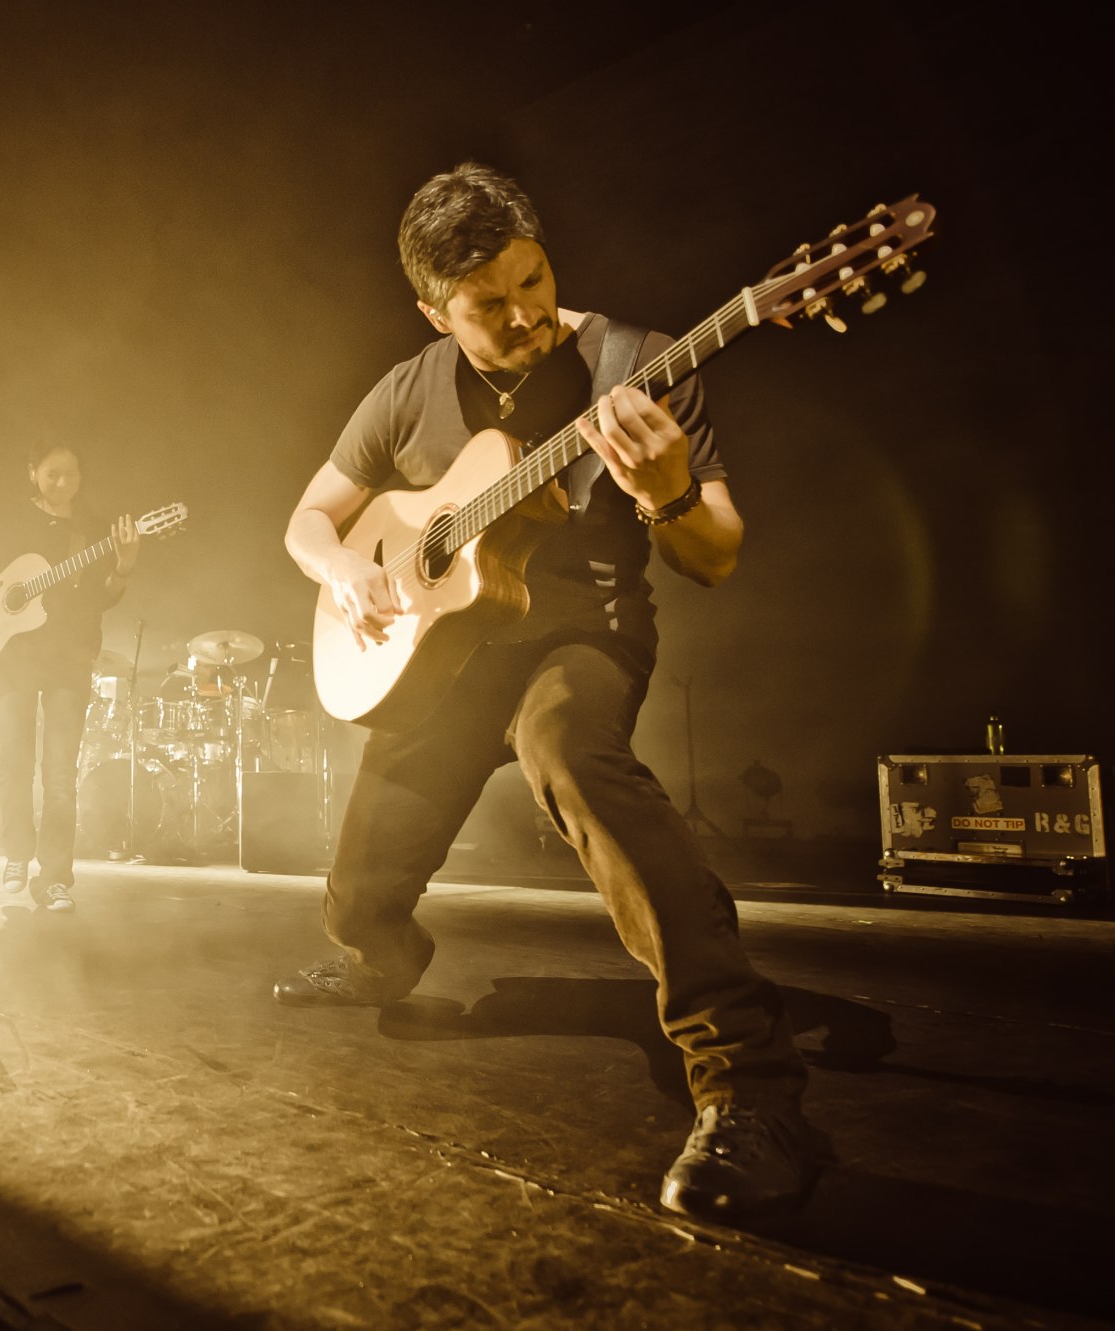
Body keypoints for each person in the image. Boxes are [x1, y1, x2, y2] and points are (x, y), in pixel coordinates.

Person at [277, 163, 824, 1222]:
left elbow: (712, 556)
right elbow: (308, 517)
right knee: (354, 894)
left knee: (574, 754)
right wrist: (346, 569)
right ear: (435, 310)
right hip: (440, 658)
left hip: (575, 637)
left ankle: (748, 1087)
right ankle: (379, 958)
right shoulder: (406, 387)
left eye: (534, 280)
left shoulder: (638, 361)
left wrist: (666, 496)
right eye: (490, 305)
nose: (526, 314)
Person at [0, 442, 138, 912]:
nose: (63, 483)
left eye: (72, 475)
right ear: (33, 473)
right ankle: (16, 857)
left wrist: (125, 562)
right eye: (53, 474)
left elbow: (104, 597)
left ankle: (54, 878)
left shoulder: (91, 531)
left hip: (70, 657)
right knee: (15, 767)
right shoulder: (4, 517)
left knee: (61, 775)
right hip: (13, 661)